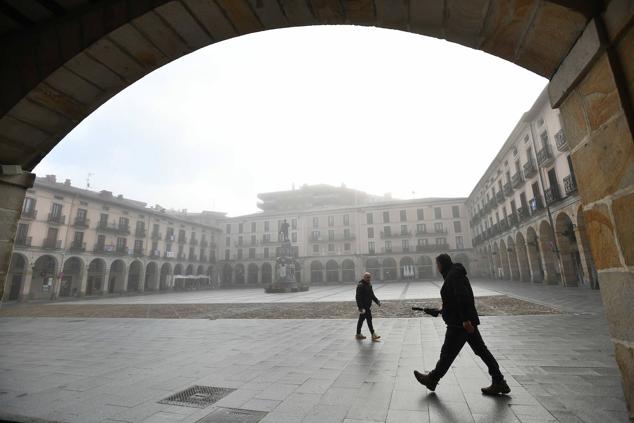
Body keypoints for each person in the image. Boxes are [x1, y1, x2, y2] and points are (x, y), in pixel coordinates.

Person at [413, 253, 510, 395]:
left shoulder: (454, 276)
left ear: (441, 264)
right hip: (463, 321)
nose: (437, 267)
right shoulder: (453, 274)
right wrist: (441, 310)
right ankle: (499, 382)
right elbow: (454, 299)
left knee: (447, 353)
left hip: (460, 324)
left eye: (437, 264)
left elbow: (462, 297)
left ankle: (432, 379)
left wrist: (465, 320)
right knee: (482, 351)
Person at [355, 272, 381, 341]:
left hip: (367, 306)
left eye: (369, 277)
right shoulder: (361, 285)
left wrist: (377, 301)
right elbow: (358, 297)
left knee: (361, 320)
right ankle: (373, 334)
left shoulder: (369, 284)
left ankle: (358, 334)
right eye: (367, 277)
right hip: (364, 307)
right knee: (369, 319)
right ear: (364, 277)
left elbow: (372, 295)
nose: (368, 279)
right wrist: (360, 308)